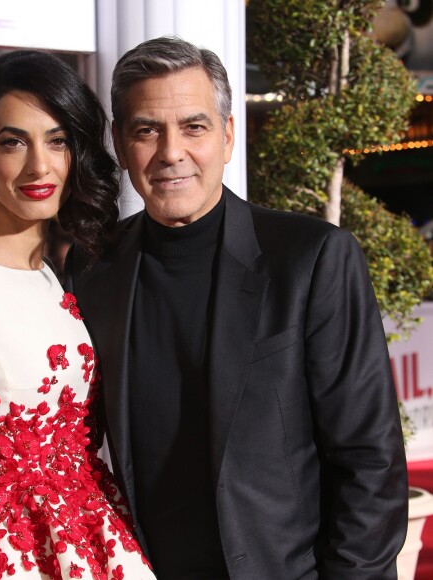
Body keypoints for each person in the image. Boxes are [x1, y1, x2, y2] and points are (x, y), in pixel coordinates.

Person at [65, 36, 408, 579]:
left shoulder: (311, 258)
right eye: (146, 131)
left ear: (227, 136)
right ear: (119, 143)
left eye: (194, 127)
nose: (170, 152)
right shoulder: (91, 270)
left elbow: (370, 459)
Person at [0, 49, 155, 580]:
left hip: (94, 539)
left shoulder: (59, 276)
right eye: (13, 142)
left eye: (57, 141)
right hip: (10, 556)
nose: (39, 166)